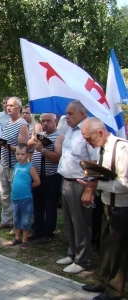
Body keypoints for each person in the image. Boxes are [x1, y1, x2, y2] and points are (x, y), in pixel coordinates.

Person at [78, 118, 128, 300]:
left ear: (99, 132)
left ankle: (115, 291)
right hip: (107, 203)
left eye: (88, 138)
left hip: (122, 206)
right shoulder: (102, 148)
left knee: (119, 249)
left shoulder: (122, 148)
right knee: (106, 245)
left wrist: (96, 184)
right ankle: (104, 281)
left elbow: (124, 183)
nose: (86, 142)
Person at [56, 100, 97, 274]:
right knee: (68, 220)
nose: (67, 116)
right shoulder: (70, 130)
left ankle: (83, 259)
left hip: (80, 183)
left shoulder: (88, 132)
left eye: (71, 113)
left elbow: (95, 161)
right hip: (66, 180)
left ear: (82, 113)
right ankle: (72, 253)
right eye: (66, 112)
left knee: (80, 222)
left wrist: (89, 188)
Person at [28, 113, 64, 243]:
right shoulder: (40, 136)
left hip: (50, 177)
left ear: (55, 121)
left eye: (48, 121)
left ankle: (48, 233)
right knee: (37, 205)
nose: (45, 123)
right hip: (37, 177)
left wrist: (43, 150)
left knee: (50, 206)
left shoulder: (59, 136)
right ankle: (37, 229)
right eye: (43, 121)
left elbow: (57, 158)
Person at [0, 96, 29, 230]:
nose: (8, 107)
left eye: (11, 106)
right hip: (4, 163)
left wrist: (5, 145)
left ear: (19, 108)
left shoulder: (22, 125)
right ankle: (6, 220)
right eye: (7, 105)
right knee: (4, 194)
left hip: (16, 166)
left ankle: (17, 224)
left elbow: (22, 148)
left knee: (16, 196)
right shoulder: (8, 123)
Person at [7, 143, 40, 250]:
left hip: (26, 198)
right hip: (15, 198)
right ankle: (17, 238)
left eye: (22, 154)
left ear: (27, 154)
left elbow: (37, 182)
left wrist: (28, 187)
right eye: (17, 154)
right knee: (16, 218)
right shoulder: (16, 166)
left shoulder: (30, 167)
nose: (19, 156)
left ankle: (25, 240)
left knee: (25, 219)